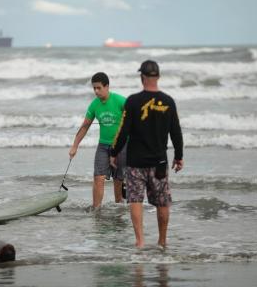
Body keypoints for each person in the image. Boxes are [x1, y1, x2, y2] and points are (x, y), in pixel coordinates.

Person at [110, 60, 184, 248]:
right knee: (163, 202)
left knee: (135, 199)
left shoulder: (133, 101)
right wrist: (179, 156)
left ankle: (140, 241)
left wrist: (114, 152)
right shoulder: (168, 102)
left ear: (142, 77)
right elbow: (176, 131)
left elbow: (123, 130)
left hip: (136, 162)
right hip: (159, 161)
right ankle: (162, 241)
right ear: (158, 77)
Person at [69, 72, 127, 208]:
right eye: (94, 88)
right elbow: (84, 127)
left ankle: (119, 207)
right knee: (98, 177)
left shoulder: (120, 101)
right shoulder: (94, 105)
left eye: (99, 88)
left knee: (118, 180)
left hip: (121, 146)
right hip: (103, 146)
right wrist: (74, 146)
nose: (96, 91)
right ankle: (96, 210)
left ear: (107, 86)